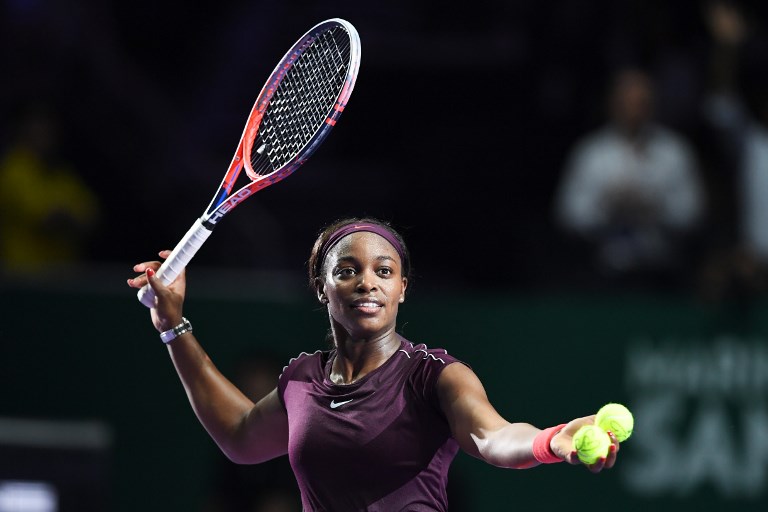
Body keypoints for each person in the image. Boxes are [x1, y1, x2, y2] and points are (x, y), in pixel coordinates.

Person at [127, 217, 620, 511]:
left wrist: (549, 441)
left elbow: (492, 438)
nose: (369, 282)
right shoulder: (303, 382)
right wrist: (173, 326)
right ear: (321, 288)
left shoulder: (435, 376)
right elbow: (239, 435)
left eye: (385, 271)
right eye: (348, 271)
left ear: (402, 289)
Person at [553, 67, 706, 288]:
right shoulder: (591, 153)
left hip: (662, 271)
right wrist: (607, 205)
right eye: (627, 103)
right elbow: (568, 214)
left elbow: (693, 212)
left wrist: (654, 206)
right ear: (612, 104)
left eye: (642, 103)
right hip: (602, 270)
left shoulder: (675, 151)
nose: (634, 111)